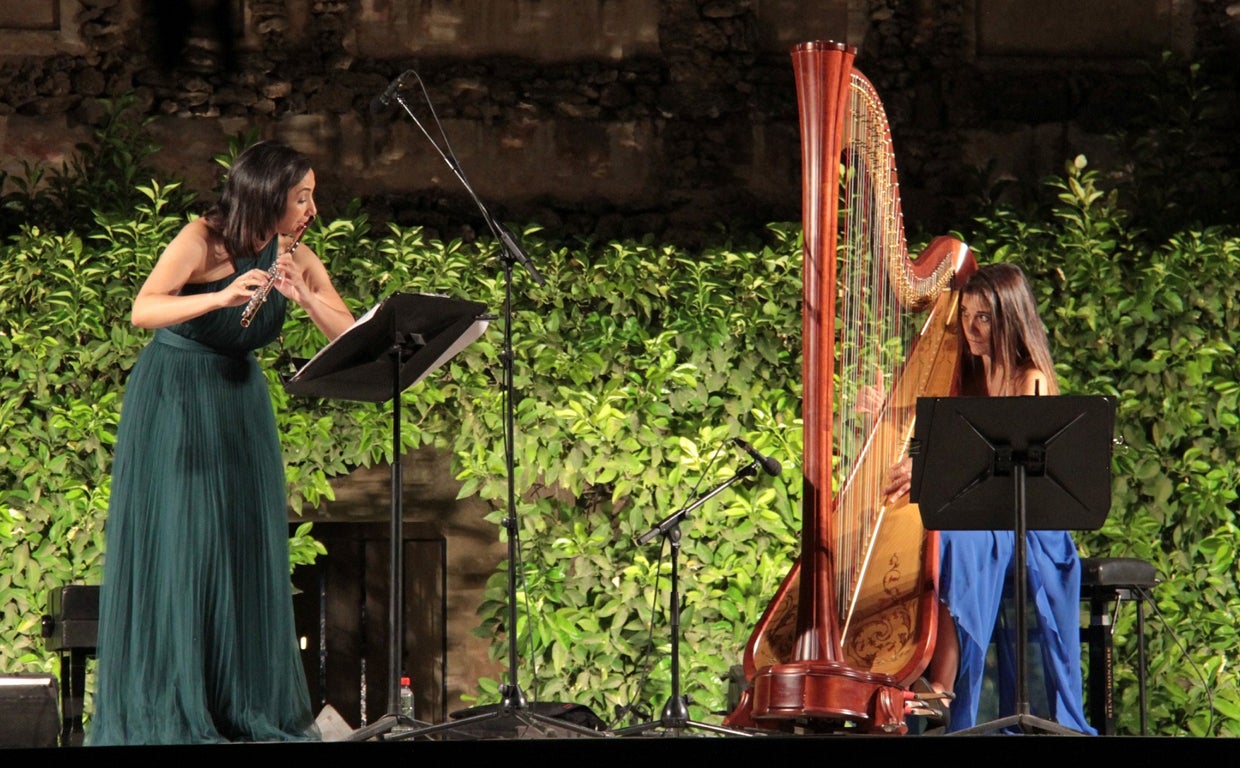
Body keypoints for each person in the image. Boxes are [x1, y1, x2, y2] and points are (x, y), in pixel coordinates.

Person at [88, 140, 355, 745]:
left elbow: (347, 332)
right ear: (268, 195)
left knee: (241, 544)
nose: (312, 209)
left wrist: (307, 297)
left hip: (239, 403)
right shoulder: (200, 239)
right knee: (185, 542)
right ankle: (175, 706)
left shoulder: (295, 254)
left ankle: (241, 706)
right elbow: (143, 309)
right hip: (176, 397)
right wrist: (220, 295)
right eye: (302, 198)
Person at [880, 262, 1095, 734]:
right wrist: (885, 408)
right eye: (966, 315)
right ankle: (911, 667)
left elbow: (1006, 471)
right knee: (929, 532)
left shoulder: (1030, 380)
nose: (970, 329)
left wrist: (928, 474)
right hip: (982, 515)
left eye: (983, 318)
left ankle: (942, 681)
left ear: (1010, 320)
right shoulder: (972, 377)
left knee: (948, 536)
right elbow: (945, 440)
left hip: (1027, 522)